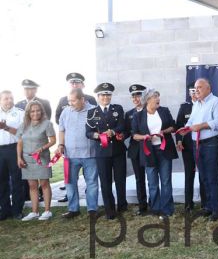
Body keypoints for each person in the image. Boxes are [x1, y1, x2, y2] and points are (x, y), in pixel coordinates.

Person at [183, 78, 218, 221]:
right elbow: (191, 121)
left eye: (200, 87)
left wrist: (201, 126)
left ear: (209, 88)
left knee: (212, 176)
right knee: (203, 176)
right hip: (197, 143)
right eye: (195, 88)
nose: (197, 90)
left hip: (211, 143)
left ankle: (217, 209)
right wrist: (186, 128)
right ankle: (208, 206)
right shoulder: (196, 104)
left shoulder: (217, 102)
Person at [131, 89, 178, 219]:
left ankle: (167, 209)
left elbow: (173, 126)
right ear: (148, 100)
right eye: (155, 96)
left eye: (158, 96)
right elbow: (134, 135)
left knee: (166, 181)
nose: (158, 98)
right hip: (148, 152)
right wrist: (145, 137)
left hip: (164, 150)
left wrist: (164, 131)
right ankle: (156, 208)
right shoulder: (138, 116)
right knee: (152, 182)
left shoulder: (164, 111)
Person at [85, 83, 127, 220]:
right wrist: (97, 135)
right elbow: (88, 132)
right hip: (102, 152)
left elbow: (122, 125)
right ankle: (110, 209)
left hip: (118, 150)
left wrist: (113, 131)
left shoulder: (118, 109)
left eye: (108, 94)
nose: (105, 97)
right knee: (105, 181)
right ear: (98, 97)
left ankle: (122, 205)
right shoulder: (92, 113)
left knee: (120, 179)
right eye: (103, 95)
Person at [55, 72, 96, 203]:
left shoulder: (94, 110)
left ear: (82, 99)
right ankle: (73, 208)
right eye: (69, 101)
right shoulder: (66, 111)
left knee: (92, 183)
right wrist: (61, 145)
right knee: (70, 182)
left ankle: (92, 208)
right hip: (70, 154)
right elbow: (61, 129)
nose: (70, 103)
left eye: (73, 101)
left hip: (90, 154)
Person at [16, 101, 56, 221]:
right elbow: (20, 142)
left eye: (38, 110)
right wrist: (19, 157)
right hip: (27, 159)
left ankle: (47, 211)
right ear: (28, 112)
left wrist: (42, 148)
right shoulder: (23, 125)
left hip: (42, 158)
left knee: (44, 183)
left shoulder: (47, 124)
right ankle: (35, 212)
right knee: (32, 185)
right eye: (32, 111)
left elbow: (53, 140)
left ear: (41, 111)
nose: (35, 113)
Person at [175, 82, 207, 212]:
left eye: (196, 90)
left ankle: (205, 202)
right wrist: (178, 140)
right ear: (189, 93)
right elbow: (178, 126)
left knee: (203, 174)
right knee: (189, 174)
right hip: (188, 146)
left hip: (202, 145)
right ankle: (188, 203)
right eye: (192, 91)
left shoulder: (205, 105)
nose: (194, 93)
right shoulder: (184, 107)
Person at [0, 91, 26, 220]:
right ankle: (5, 210)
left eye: (11, 98)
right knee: (1, 181)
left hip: (14, 148)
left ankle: (17, 210)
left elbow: (22, 134)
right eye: (6, 98)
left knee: (17, 180)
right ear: (0, 100)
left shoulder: (20, 113)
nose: (9, 101)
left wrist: (6, 127)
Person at [125, 84, 149, 215]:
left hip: (150, 149)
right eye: (133, 96)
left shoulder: (150, 110)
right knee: (139, 179)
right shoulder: (129, 114)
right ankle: (142, 206)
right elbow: (126, 132)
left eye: (138, 95)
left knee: (152, 178)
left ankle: (155, 203)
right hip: (135, 150)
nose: (135, 98)